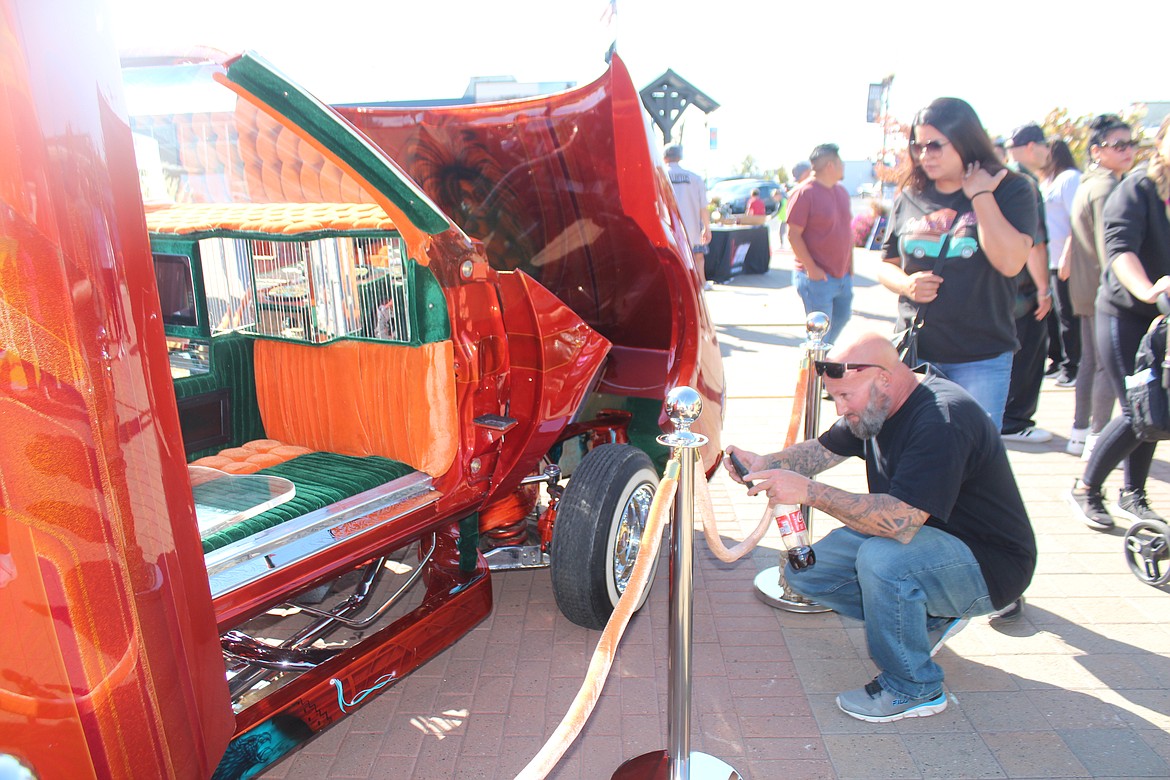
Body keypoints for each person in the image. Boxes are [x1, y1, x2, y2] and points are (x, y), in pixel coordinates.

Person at [725, 332, 1035, 722]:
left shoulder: (942, 418)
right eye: (834, 397)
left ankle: (915, 687)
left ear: (885, 379)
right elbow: (821, 451)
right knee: (807, 574)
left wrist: (811, 492)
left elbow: (901, 522)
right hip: (929, 543)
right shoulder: (875, 405)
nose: (841, 408)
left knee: (883, 559)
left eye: (846, 397)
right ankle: (929, 615)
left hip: (990, 565)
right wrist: (764, 464)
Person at [878, 98, 1037, 432]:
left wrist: (981, 196)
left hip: (981, 355)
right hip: (915, 352)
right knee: (912, 451)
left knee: (972, 461)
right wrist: (906, 285)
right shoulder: (910, 195)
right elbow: (886, 264)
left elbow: (1010, 263)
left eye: (935, 145)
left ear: (965, 139)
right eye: (917, 146)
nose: (924, 155)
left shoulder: (1010, 188)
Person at [1067, 115, 1170, 529]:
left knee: (1155, 410)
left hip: (1161, 320)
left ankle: (1133, 494)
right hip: (1125, 313)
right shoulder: (1137, 189)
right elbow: (1120, 251)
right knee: (1139, 409)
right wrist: (1148, 290)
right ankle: (1086, 489)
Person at [1061, 115, 1135, 457]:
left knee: (1090, 362)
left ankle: (1081, 433)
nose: (1128, 151)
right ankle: (1097, 437)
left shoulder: (1089, 184)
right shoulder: (1107, 187)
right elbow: (1113, 250)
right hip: (1105, 288)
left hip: (1085, 286)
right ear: (1097, 150)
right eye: (1119, 145)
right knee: (1104, 364)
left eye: (1131, 144)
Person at [1000, 122, 1054, 444]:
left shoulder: (1000, 178)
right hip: (1023, 290)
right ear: (1033, 146)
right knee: (1029, 356)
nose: (1049, 152)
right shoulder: (1025, 183)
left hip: (1000, 288)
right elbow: (1035, 243)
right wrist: (1044, 289)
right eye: (1046, 145)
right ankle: (1016, 421)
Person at [787, 143, 854, 347]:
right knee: (819, 335)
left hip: (842, 276)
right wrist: (812, 268)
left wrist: (849, 268)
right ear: (831, 166)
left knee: (840, 320)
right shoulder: (804, 193)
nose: (844, 166)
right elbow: (793, 235)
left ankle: (819, 362)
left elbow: (845, 230)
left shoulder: (841, 192)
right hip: (817, 279)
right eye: (841, 162)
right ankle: (813, 373)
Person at [1041, 139, 1082, 389]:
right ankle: (1057, 360)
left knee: (1068, 317)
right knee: (1054, 317)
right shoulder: (1049, 181)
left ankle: (1073, 365)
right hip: (1049, 260)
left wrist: (1068, 255)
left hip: (1064, 260)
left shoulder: (1069, 178)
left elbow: (1075, 220)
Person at [664, 144, 713, 289]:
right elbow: (703, 206)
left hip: (669, 224)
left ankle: (675, 286)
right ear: (680, 156)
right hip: (691, 226)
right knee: (698, 257)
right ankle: (701, 283)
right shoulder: (695, 178)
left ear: (665, 157)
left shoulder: (660, 174)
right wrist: (707, 227)